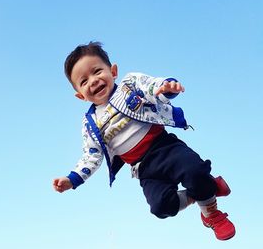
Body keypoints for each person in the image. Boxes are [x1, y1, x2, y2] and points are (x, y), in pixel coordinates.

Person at [52, 41, 235, 241]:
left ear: (113, 71)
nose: (93, 81)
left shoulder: (129, 85)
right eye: (84, 81)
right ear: (80, 96)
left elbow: (151, 87)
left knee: (196, 171)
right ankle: (203, 189)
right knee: (161, 207)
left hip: (165, 147)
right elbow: (91, 157)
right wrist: (72, 179)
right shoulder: (91, 123)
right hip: (144, 168)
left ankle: (211, 214)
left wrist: (166, 88)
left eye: (97, 71)